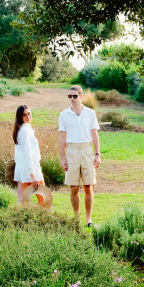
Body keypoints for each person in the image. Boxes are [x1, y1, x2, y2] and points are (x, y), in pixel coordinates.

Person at [58, 85, 101, 227]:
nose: (72, 99)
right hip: (71, 151)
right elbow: (62, 138)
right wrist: (62, 158)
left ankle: (88, 220)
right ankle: (77, 218)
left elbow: (95, 135)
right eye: (69, 96)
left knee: (88, 186)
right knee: (74, 187)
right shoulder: (63, 115)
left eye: (74, 96)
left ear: (81, 97)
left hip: (86, 150)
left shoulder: (90, 113)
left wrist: (97, 154)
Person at [13, 104, 44, 203]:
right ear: (20, 117)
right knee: (44, 199)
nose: (28, 117)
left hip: (22, 168)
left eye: (29, 114)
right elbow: (27, 153)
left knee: (22, 201)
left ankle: (17, 218)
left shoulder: (22, 129)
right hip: (30, 168)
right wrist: (33, 175)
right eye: (24, 115)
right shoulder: (25, 131)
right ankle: (43, 218)